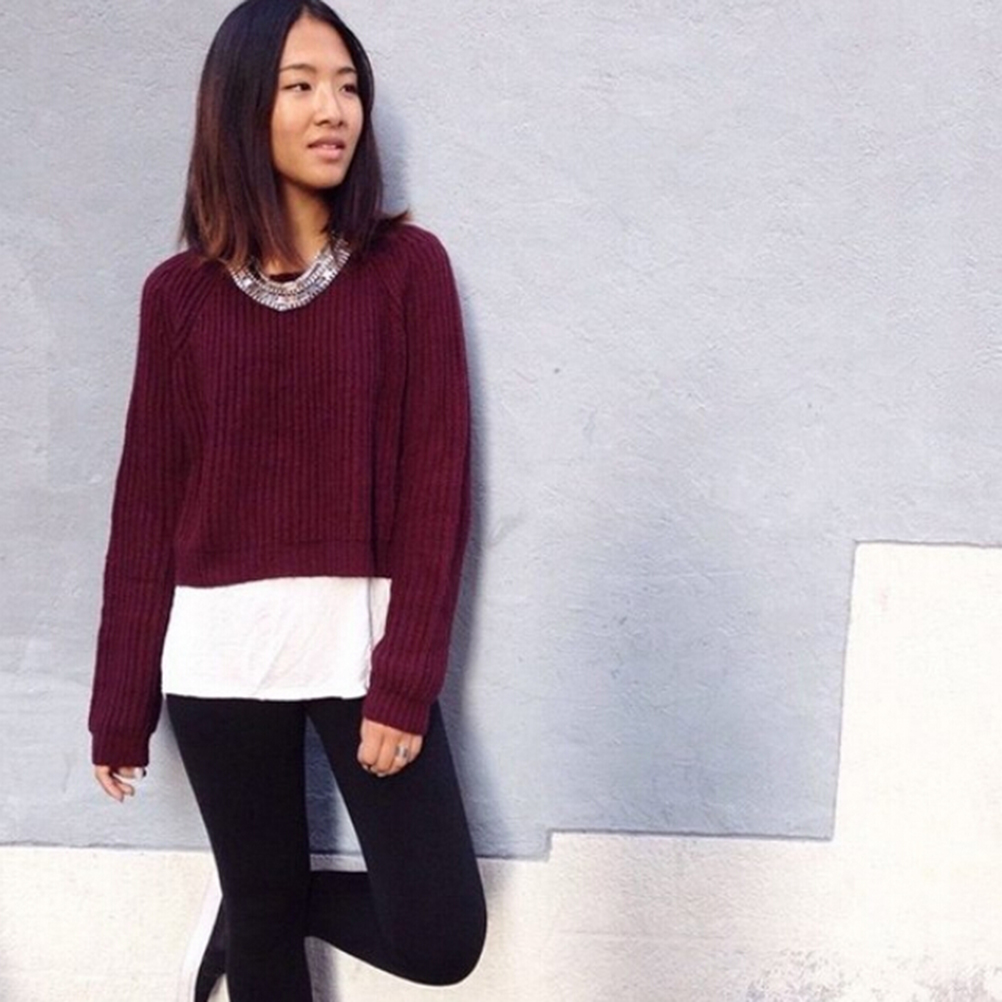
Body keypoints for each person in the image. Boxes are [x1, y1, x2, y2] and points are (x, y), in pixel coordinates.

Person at [88, 2, 487, 999]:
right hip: (218, 651)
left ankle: (255, 903)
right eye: (300, 85)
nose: (332, 109)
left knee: (440, 936)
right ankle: (255, 910)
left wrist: (405, 679)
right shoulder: (178, 297)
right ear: (240, 107)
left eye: (348, 86)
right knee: (266, 939)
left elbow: (437, 486)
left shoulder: (408, 271)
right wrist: (119, 706)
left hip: (360, 642)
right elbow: (148, 503)